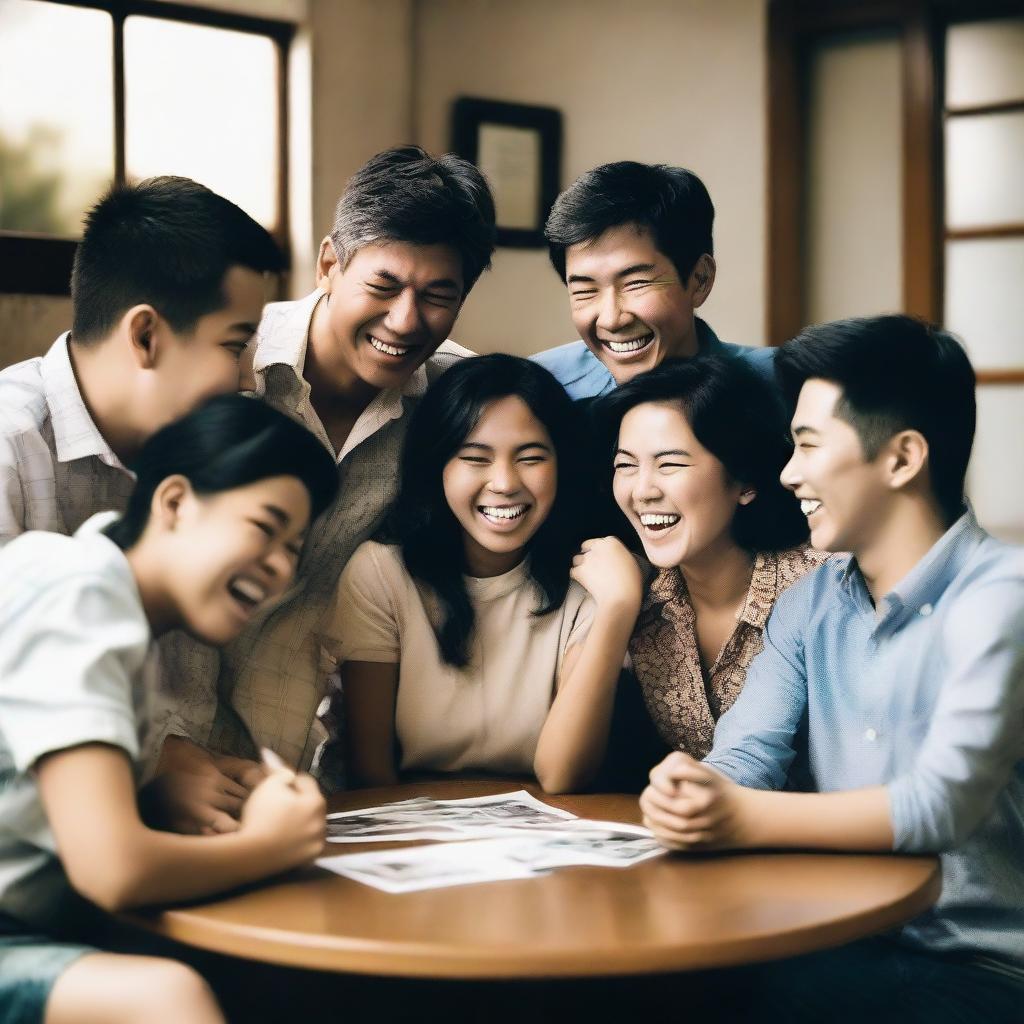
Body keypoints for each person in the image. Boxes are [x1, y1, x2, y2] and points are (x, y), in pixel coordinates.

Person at [640, 316, 1024, 1021]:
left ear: (902, 458)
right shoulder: (811, 601)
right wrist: (695, 792)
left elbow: (938, 805)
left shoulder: (1003, 596)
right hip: (840, 936)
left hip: (986, 964)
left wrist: (738, 817)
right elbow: (745, 756)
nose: (789, 473)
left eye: (809, 445)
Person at [154, 145, 497, 797]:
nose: (405, 320)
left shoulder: (457, 402)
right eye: (384, 286)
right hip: (185, 758)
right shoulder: (227, 366)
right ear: (330, 264)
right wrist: (169, 751)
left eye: (437, 296)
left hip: (351, 778)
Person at [0, 394, 337, 1024]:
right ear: (175, 502)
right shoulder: (81, 599)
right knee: (167, 996)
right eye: (265, 528)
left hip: (37, 926)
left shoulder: (104, 595)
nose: (279, 568)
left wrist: (156, 794)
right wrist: (272, 844)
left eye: (294, 548)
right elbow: (113, 871)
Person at [0, 175, 285, 836]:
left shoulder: (198, 454)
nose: (249, 380)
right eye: (236, 345)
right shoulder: (10, 447)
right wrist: (149, 767)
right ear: (147, 337)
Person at [326, 355, 642, 793]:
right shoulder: (382, 574)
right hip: (414, 826)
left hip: (548, 829)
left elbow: (563, 775)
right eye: (475, 458)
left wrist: (618, 608)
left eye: (531, 457)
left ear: (562, 465)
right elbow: (371, 774)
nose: (504, 483)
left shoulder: (593, 580)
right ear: (438, 466)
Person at [595, 355, 824, 760]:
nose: (642, 490)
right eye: (625, 465)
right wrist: (616, 605)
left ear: (745, 481)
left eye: (670, 464)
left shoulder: (824, 587)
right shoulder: (638, 595)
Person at [533, 161, 774, 400]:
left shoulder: (786, 387)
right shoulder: (539, 393)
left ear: (700, 279)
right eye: (585, 290)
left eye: (636, 283)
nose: (611, 320)